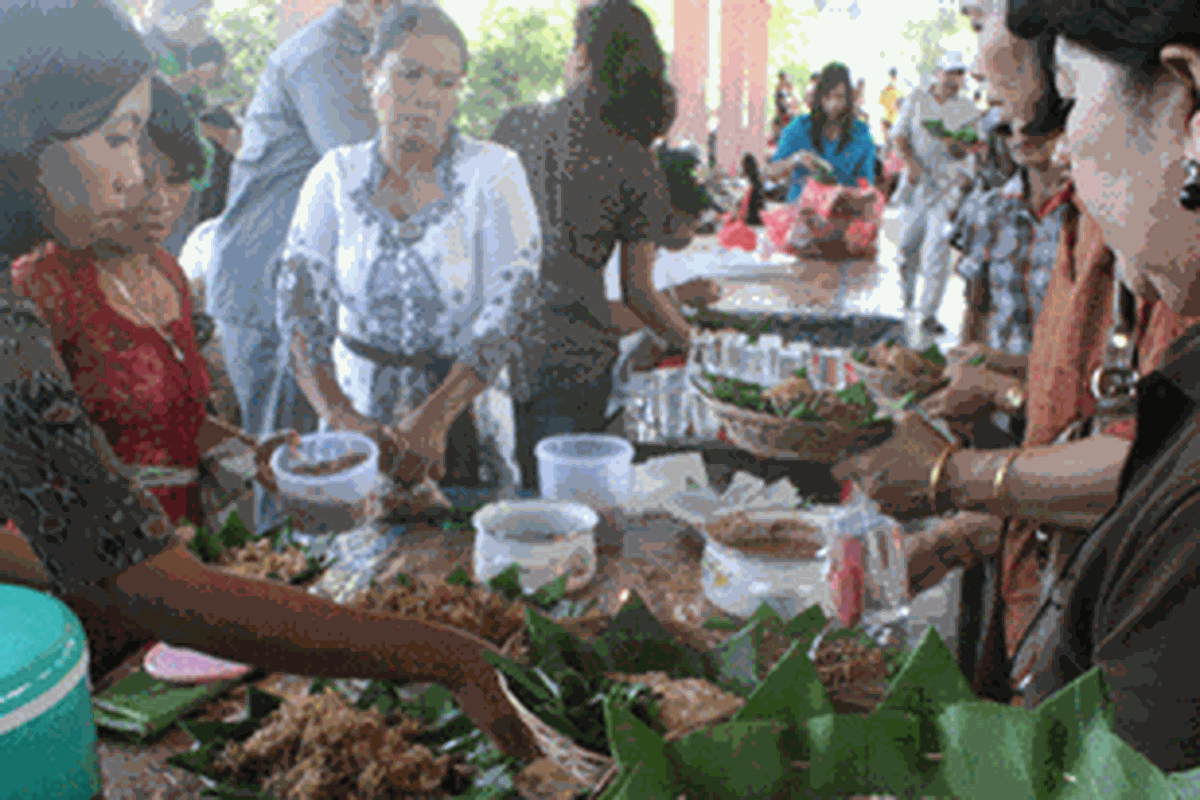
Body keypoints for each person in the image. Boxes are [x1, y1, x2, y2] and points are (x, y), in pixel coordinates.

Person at [0, 0, 535, 756]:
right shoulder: (26, 304)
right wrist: (439, 654)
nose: (135, 179)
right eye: (119, 138)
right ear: (22, 132)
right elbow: (139, 574)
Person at [838, 0, 1200, 746]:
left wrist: (951, 475)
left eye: (1073, 97)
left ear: (1188, 102)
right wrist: (967, 529)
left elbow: (1132, 458)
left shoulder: (1156, 268)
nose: (1064, 149)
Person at [276, 5, 540, 500]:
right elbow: (299, 309)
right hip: (356, 424)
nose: (425, 98)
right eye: (409, 75)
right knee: (356, 566)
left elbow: (509, 312)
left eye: (445, 83)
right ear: (371, 74)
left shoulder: (496, 173)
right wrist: (337, 413)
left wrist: (434, 419)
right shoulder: (334, 177)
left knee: (464, 563)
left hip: (466, 421)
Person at [490, 0, 691, 494]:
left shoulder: (513, 126)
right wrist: (694, 344)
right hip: (576, 360)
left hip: (502, 349)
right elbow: (640, 291)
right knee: (569, 506)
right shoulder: (635, 158)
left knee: (516, 494)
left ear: (581, 56)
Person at [12, 78, 232, 527]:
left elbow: (179, 421)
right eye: (144, 181)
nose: (161, 202)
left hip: (183, 539)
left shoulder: (168, 271)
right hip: (95, 551)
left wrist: (253, 453)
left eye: (176, 180)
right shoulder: (44, 283)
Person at [207, 0, 390, 492]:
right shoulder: (323, 58)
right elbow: (369, 177)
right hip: (266, 291)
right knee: (292, 473)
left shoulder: (369, 53)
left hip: (296, 289)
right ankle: (273, 567)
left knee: (318, 472)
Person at [891, 52, 979, 333]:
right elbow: (900, 136)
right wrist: (911, 163)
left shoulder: (967, 110)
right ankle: (903, 306)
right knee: (907, 248)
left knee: (937, 252)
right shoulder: (917, 99)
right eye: (950, 73)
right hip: (917, 185)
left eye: (959, 74)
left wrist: (954, 142)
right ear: (938, 73)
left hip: (946, 188)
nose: (955, 80)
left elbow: (965, 150)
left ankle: (928, 314)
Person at [768, 62, 878, 202]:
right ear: (818, 97)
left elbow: (867, 188)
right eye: (827, 97)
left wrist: (839, 193)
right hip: (800, 214)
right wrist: (796, 159)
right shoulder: (799, 127)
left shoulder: (861, 134)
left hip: (843, 214)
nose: (832, 104)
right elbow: (771, 173)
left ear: (849, 99)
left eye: (839, 97)